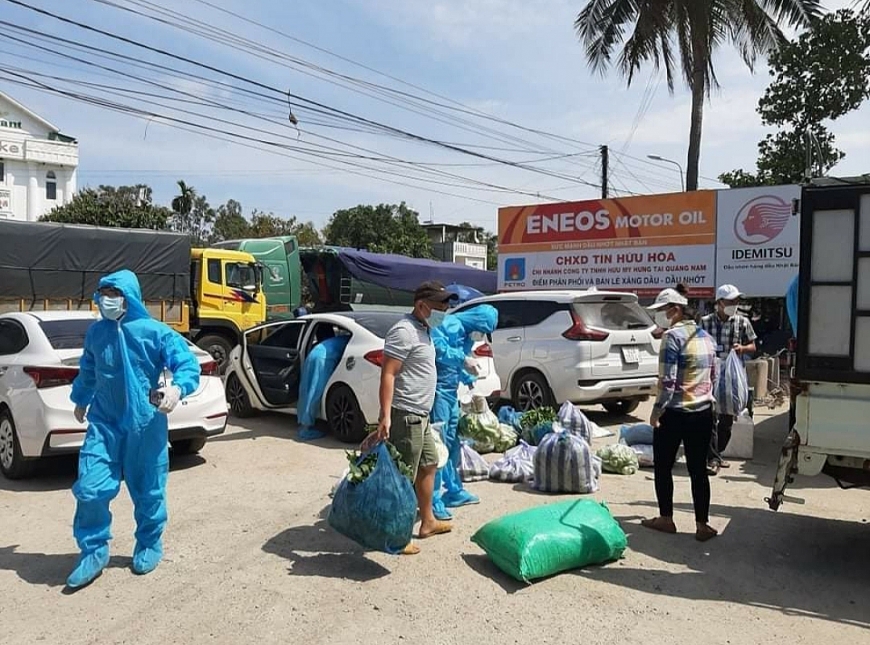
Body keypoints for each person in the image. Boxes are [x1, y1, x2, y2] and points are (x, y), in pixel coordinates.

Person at [67, 270, 200, 588]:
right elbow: (88, 369)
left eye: (113, 293)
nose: (106, 300)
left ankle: (149, 543)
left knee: (149, 489)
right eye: (102, 293)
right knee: (90, 487)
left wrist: (177, 389)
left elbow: (187, 363)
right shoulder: (96, 334)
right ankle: (93, 551)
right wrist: (81, 398)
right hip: (104, 424)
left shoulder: (155, 332)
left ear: (129, 297)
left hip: (145, 424)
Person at [375, 280, 457, 554]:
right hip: (405, 414)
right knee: (403, 476)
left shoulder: (425, 329)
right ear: (421, 305)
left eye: (446, 305)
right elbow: (388, 373)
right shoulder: (404, 331)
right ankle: (396, 535)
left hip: (420, 415)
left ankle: (428, 522)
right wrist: (386, 416)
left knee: (430, 464)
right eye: (439, 306)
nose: (444, 310)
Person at [642, 288, 719, 542]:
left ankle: (666, 518)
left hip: (675, 413)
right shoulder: (707, 337)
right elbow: (713, 377)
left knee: (663, 466)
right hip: (703, 412)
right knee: (698, 469)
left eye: (662, 311)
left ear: (674, 310)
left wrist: (656, 411)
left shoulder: (672, 337)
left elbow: (668, 380)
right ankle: (702, 524)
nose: (660, 317)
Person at [430, 304, 498, 520]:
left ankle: (454, 490)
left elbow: (461, 358)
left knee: (452, 441)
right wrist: (463, 360)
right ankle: (433, 500)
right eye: (483, 329)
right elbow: (439, 350)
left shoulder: (466, 333)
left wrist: (469, 382)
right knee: (437, 444)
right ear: (477, 322)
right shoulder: (446, 323)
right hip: (437, 391)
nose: (481, 335)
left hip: (450, 392)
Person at [700, 284, 757, 475]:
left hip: (732, 376)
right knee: (710, 416)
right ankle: (712, 458)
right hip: (710, 374)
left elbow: (753, 346)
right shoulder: (705, 322)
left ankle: (718, 453)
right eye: (731, 301)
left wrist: (742, 348)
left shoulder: (742, 322)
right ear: (719, 303)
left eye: (736, 301)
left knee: (727, 419)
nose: (735, 304)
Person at [296, 325, 351, 441]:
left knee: (307, 388)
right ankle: (307, 427)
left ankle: (303, 422)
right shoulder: (350, 341)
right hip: (324, 358)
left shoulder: (344, 338)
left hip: (314, 354)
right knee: (316, 390)